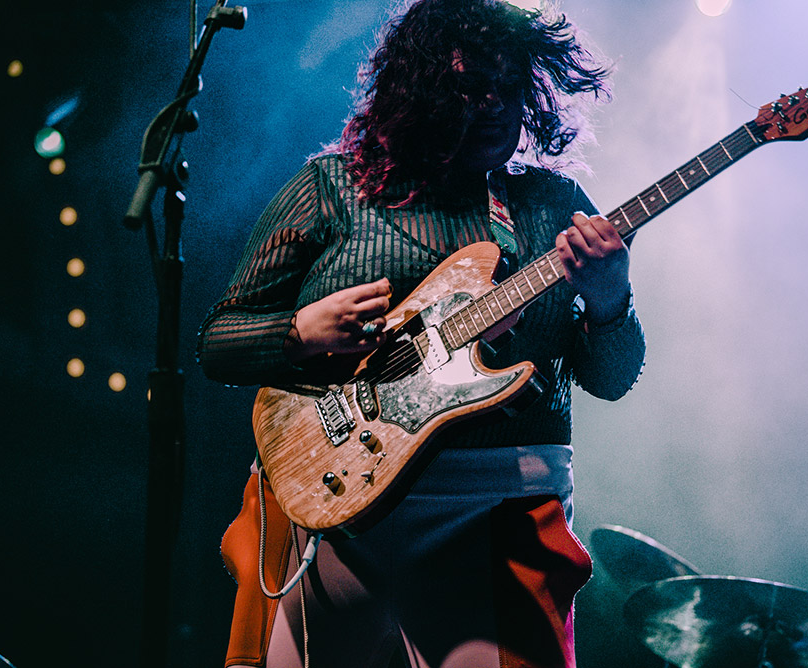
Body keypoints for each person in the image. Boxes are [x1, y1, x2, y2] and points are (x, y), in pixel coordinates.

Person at [196, 1, 646, 666]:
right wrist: (301, 331)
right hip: (329, 500)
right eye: (469, 86)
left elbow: (611, 379)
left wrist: (612, 299)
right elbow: (217, 342)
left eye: (509, 85)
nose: (494, 104)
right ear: (419, 89)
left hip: (500, 514)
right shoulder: (331, 190)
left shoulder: (553, 205)